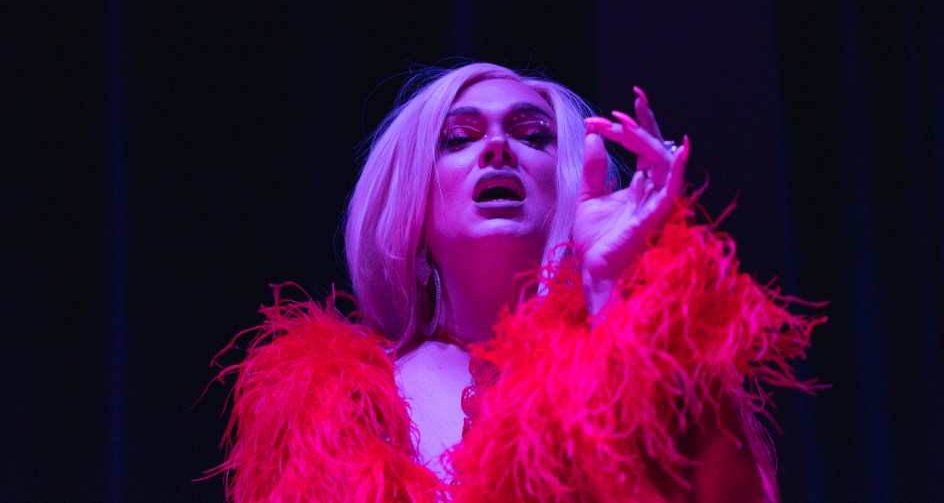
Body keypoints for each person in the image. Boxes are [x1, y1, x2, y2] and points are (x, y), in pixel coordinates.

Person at [210, 61, 823, 502]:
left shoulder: (656, 358)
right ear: (412, 202)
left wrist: (610, 294)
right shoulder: (324, 408)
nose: (499, 147)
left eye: (533, 136)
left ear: (567, 183)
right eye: (459, 138)